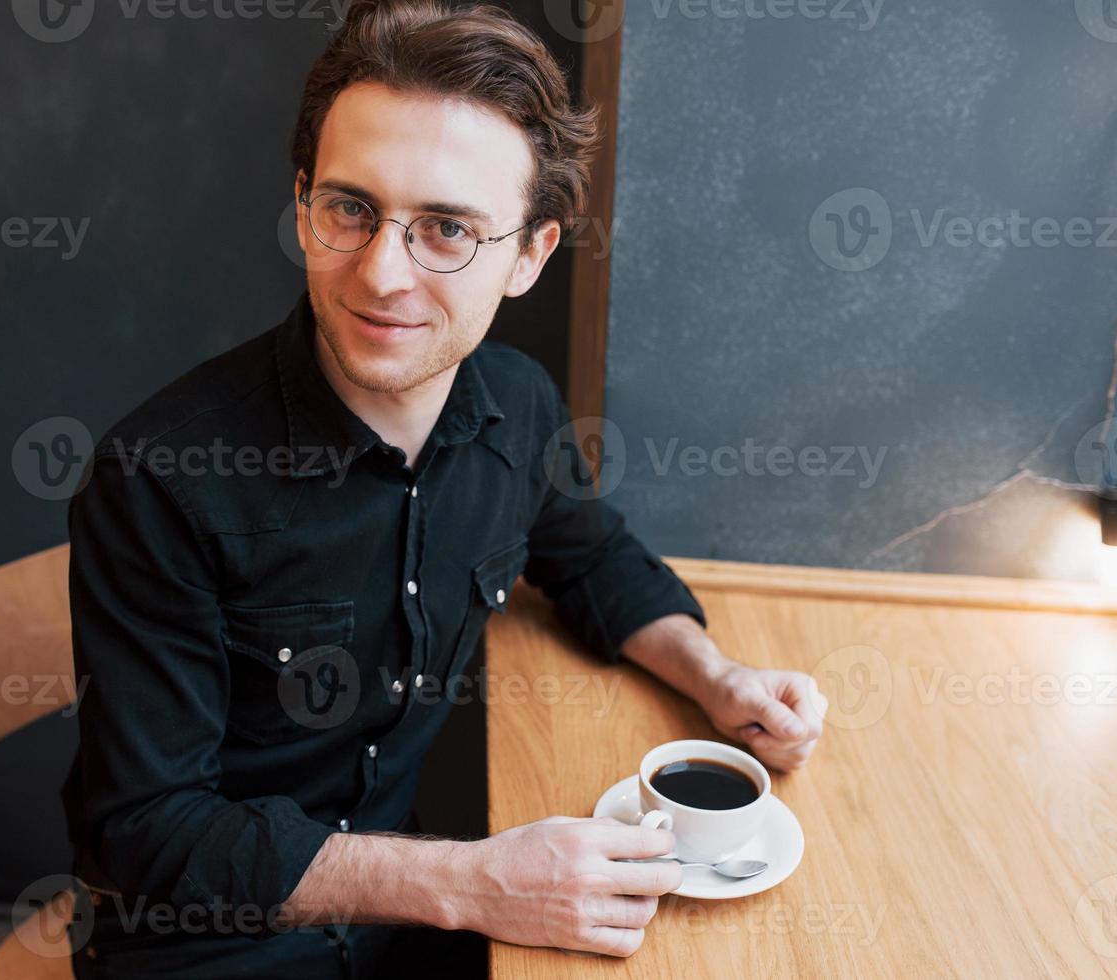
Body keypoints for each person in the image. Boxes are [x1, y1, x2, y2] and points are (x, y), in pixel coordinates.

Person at [62, 1, 825, 976]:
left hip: (408, 923)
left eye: (446, 228)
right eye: (350, 207)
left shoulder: (517, 403)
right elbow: (148, 832)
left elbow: (590, 556)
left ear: (530, 254)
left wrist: (716, 678)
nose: (383, 272)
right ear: (302, 206)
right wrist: (468, 881)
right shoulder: (158, 479)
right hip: (207, 945)